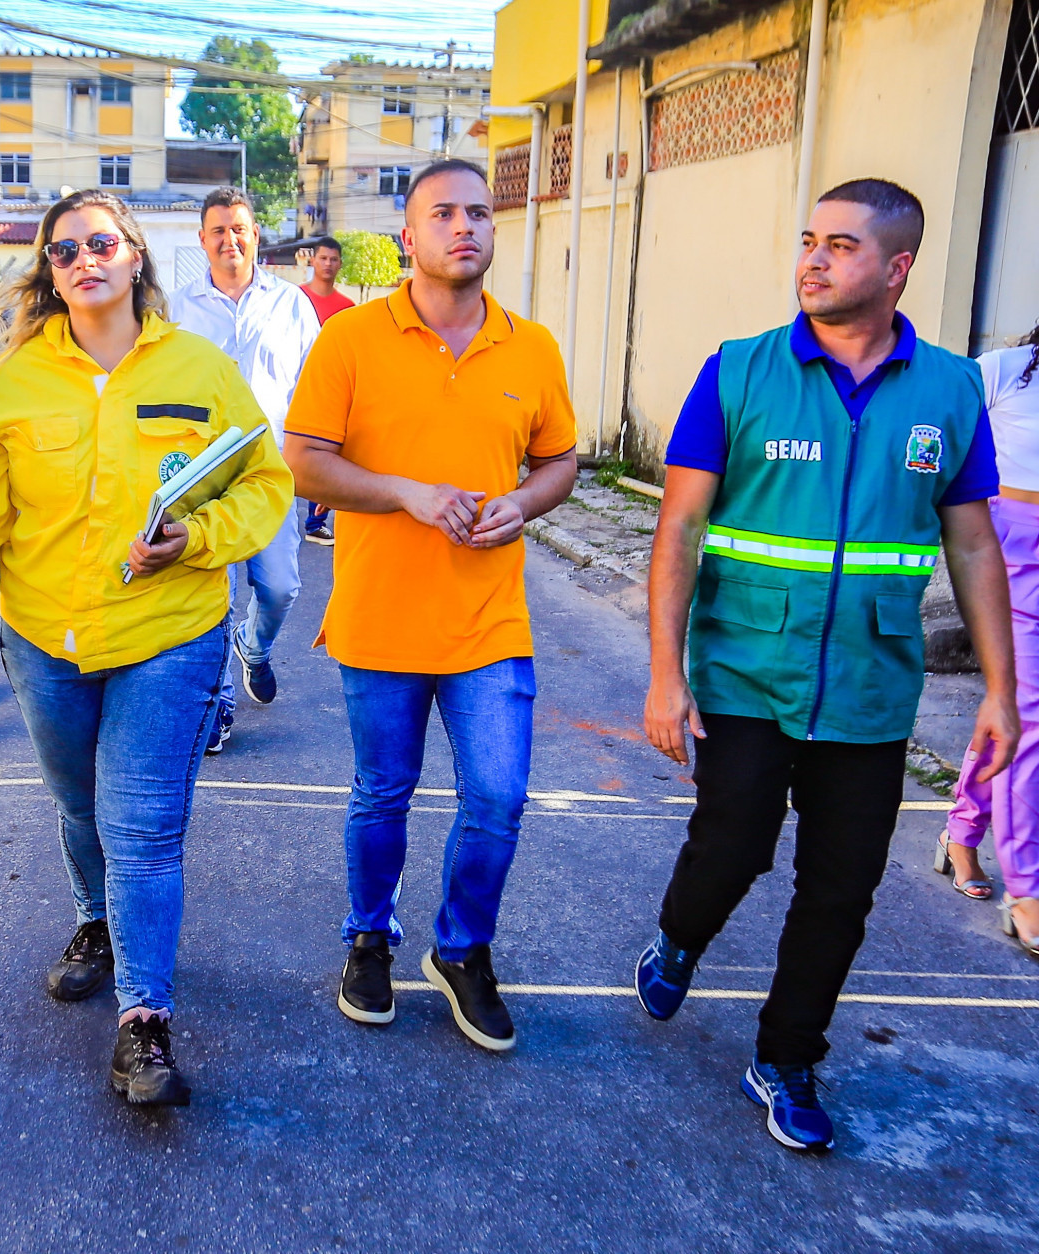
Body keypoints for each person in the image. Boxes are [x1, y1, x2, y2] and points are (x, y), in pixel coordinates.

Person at [637, 178, 1017, 1154]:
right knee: (734, 845)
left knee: (842, 886)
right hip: (747, 667)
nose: (813, 258)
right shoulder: (740, 373)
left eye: (840, 245)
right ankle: (680, 936)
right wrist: (664, 674)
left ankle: (788, 1056)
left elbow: (973, 545)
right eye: (809, 240)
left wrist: (1002, 694)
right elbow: (680, 526)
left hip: (872, 684)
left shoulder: (949, 389)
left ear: (896, 268)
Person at [0, 189, 292, 1105]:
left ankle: (145, 1022)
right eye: (63, 250)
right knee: (78, 803)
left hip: (169, 634)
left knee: (142, 825)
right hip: (46, 638)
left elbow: (266, 484)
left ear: (134, 257)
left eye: (101, 242)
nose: (84, 258)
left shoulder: (200, 368)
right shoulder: (13, 383)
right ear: (48, 274)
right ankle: (94, 920)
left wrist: (198, 540)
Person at [282, 158, 578, 1055]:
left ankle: (462, 948)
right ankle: (369, 938)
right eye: (442, 214)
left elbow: (561, 461)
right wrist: (404, 492)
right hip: (380, 617)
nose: (464, 227)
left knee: (498, 797)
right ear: (408, 238)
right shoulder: (353, 341)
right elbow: (303, 458)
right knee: (383, 793)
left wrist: (521, 505)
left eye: (479, 213)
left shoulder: (531, 346)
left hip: (490, 618)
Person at [173, 187, 321, 751]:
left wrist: (319, 461)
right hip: (199, 476)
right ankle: (219, 707)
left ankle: (254, 647)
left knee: (280, 588)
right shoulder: (178, 309)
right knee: (214, 594)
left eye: (239, 228)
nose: (229, 239)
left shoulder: (292, 305)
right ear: (203, 239)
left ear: (256, 234)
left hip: (272, 472)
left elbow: (314, 388)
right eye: (218, 230)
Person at [941, 321, 1039, 954]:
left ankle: (962, 830)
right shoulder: (1006, 370)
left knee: (1012, 714)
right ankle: (1027, 888)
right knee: (1028, 718)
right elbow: (943, 430)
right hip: (1011, 560)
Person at [299, 236, 353, 546]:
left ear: (339, 264)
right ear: (312, 261)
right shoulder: (295, 299)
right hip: (296, 384)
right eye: (323, 258)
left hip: (331, 390)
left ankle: (315, 521)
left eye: (333, 259)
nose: (328, 264)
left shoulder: (347, 309)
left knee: (324, 451)